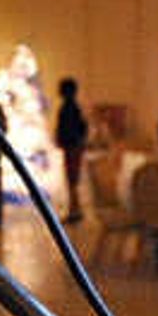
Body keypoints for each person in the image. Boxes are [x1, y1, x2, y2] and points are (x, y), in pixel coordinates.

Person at [54, 75, 94, 222]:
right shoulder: (73, 107)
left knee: (72, 180)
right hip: (74, 146)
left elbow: (69, 128)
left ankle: (75, 210)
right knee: (72, 180)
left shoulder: (68, 108)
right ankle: (75, 209)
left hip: (71, 146)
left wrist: (65, 140)